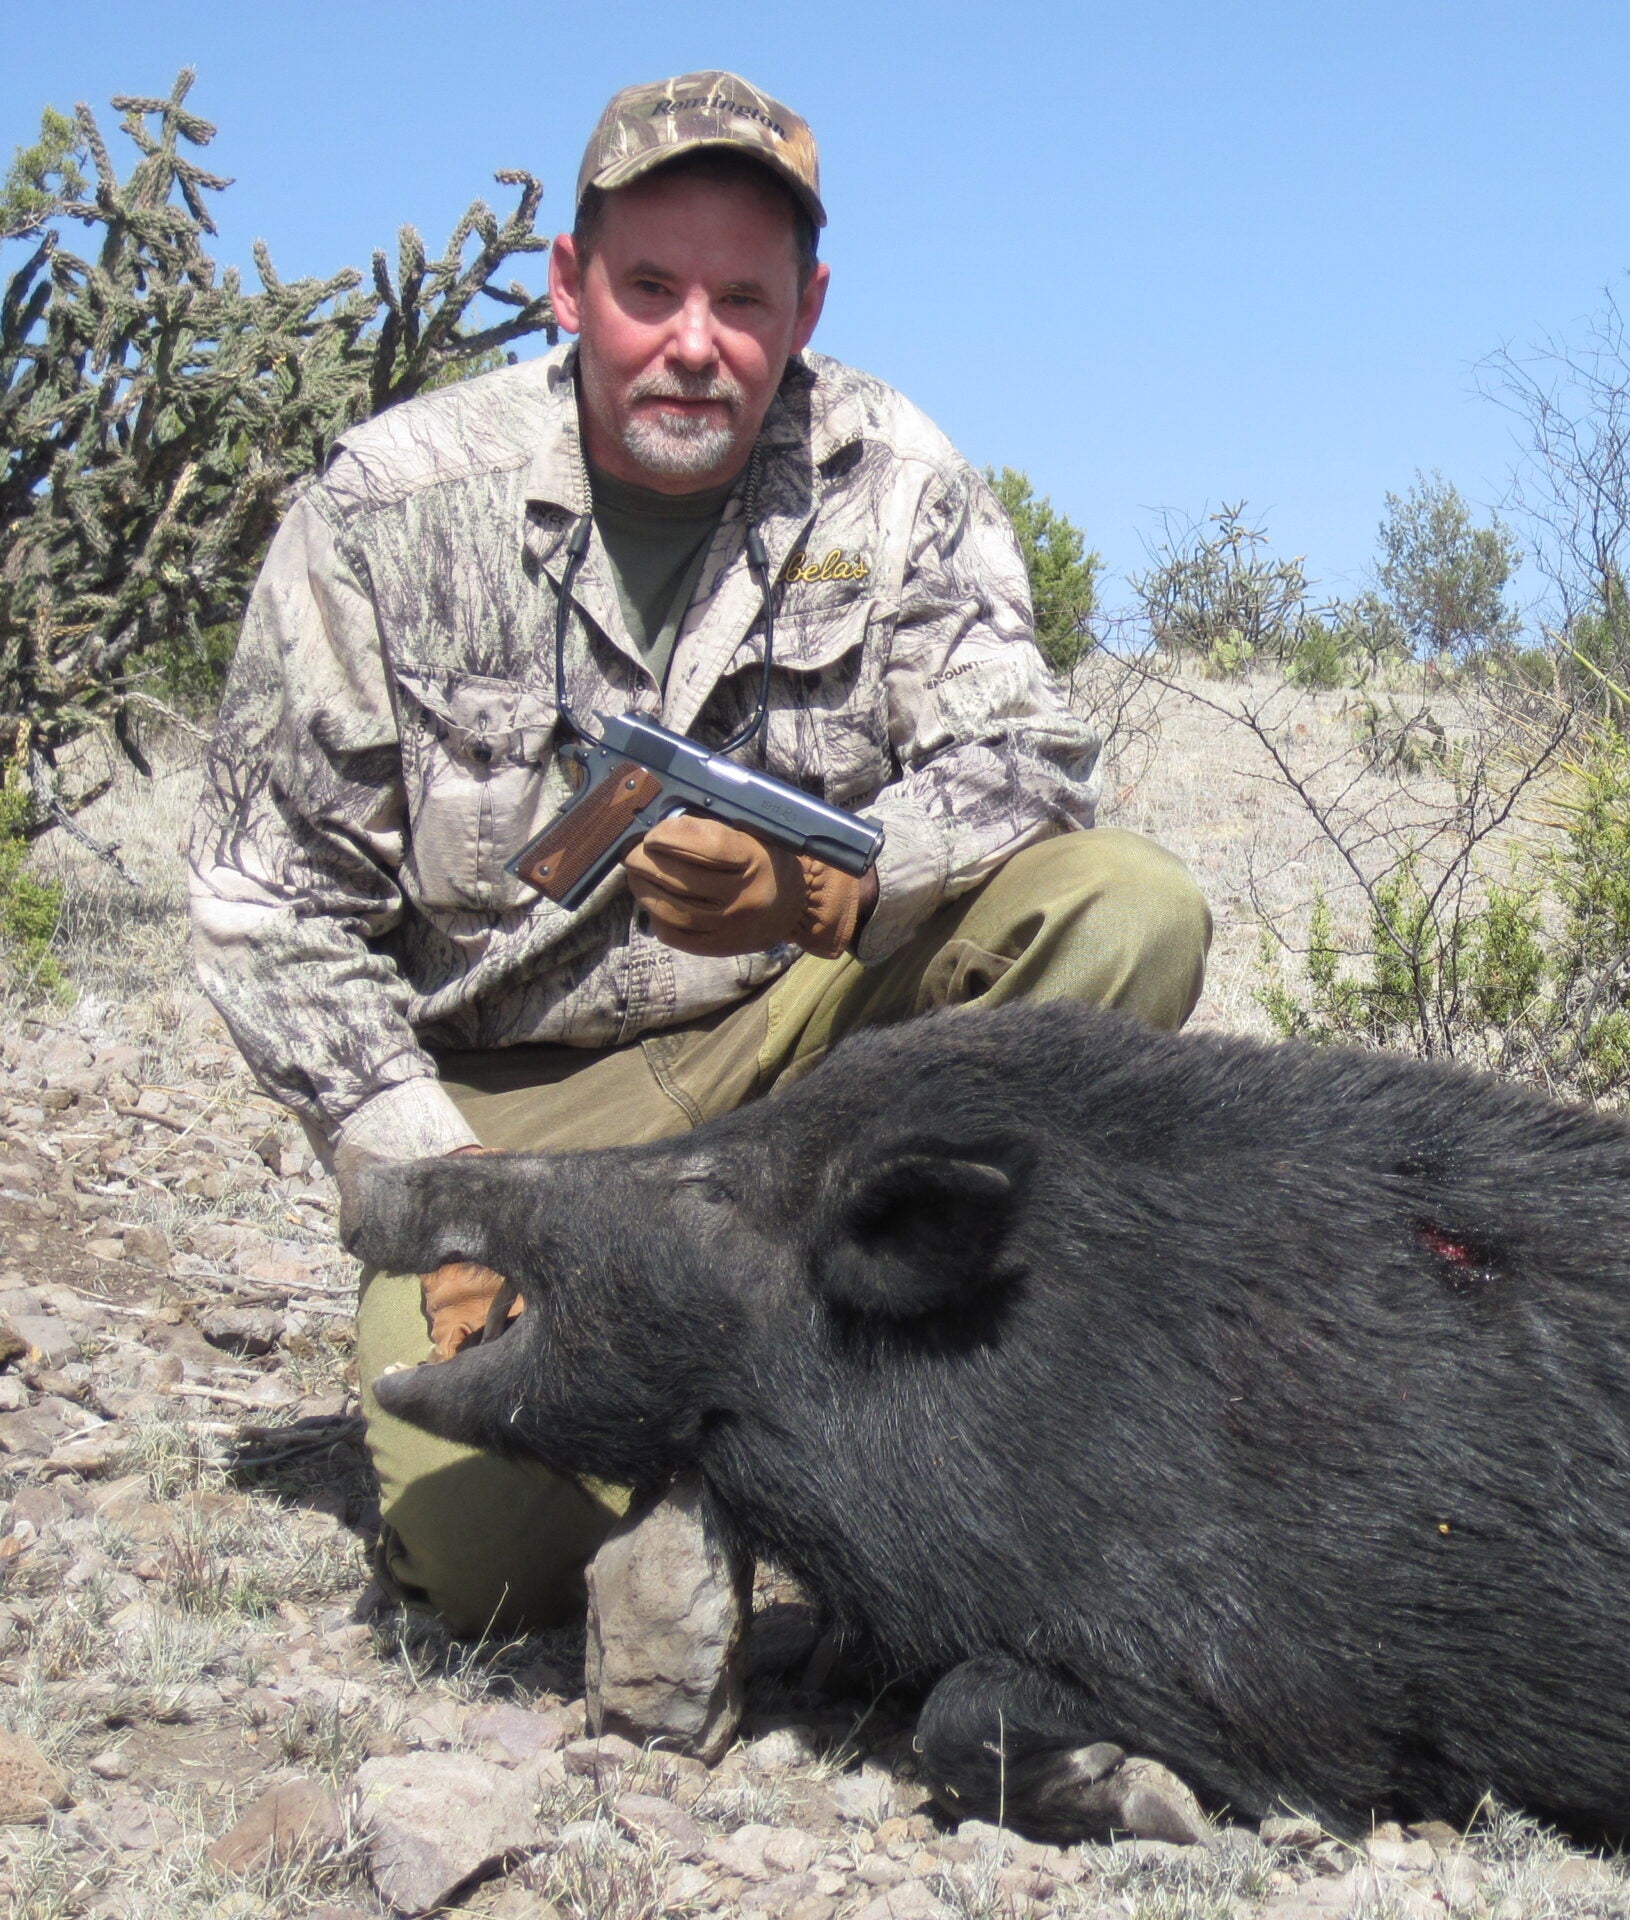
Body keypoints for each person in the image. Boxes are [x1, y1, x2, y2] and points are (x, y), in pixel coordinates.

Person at [188, 72, 1210, 1652]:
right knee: (492, 1576)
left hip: (805, 1053)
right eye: (650, 287)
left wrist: (832, 892)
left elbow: (1034, 758)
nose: (694, 341)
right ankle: (717, 1399)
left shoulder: (894, 477)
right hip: (516, 1112)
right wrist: (448, 1188)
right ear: (567, 285)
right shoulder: (389, 513)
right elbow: (267, 912)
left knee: (1125, 912)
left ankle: (936, 1410)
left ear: (805, 308)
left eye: (743, 299)